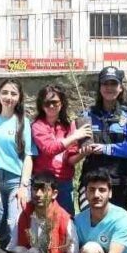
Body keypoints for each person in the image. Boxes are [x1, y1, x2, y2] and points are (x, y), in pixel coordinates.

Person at [78, 66, 127, 210]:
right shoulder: (86, 116)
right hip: (91, 182)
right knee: (89, 225)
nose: (109, 87)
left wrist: (106, 149)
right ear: (100, 87)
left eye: (113, 84)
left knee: (116, 227)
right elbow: (76, 145)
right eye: (105, 83)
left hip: (119, 183)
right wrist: (83, 148)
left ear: (120, 87)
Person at [0, 79, 35, 250]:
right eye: (5, 92)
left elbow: (28, 156)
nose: (9, 97)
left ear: (19, 98)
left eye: (13, 93)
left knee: (14, 224)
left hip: (15, 181)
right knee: (1, 227)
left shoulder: (23, 122)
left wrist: (24, 185)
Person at [31, 84, 89, 214]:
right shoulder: (38, 126)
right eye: (47, 103)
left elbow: (70, 159)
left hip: (64, 183)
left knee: (67, 222)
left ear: (61, 103)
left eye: (55, 102)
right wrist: (74, 136)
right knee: (42, 221)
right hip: (44, 183)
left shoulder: (68, 127)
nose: (51, 106)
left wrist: (83, 153)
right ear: (41, 105)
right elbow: (49, 149)